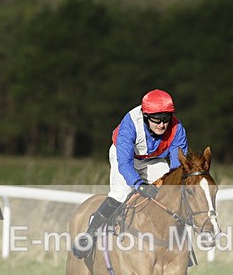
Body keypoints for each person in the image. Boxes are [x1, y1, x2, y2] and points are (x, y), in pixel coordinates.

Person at [72, 89, 189, 259]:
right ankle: (89, 235)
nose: (162, 125)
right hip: (126, 158)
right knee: (121, 193)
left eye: (166, 119)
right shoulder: (131, 123)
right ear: (145, 116)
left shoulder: (177, 129)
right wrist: (139, 185)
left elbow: (177, 167)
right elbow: (125, 163)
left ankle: (182, 247)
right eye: (157, 120)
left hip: (153, 159)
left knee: (169, 193)